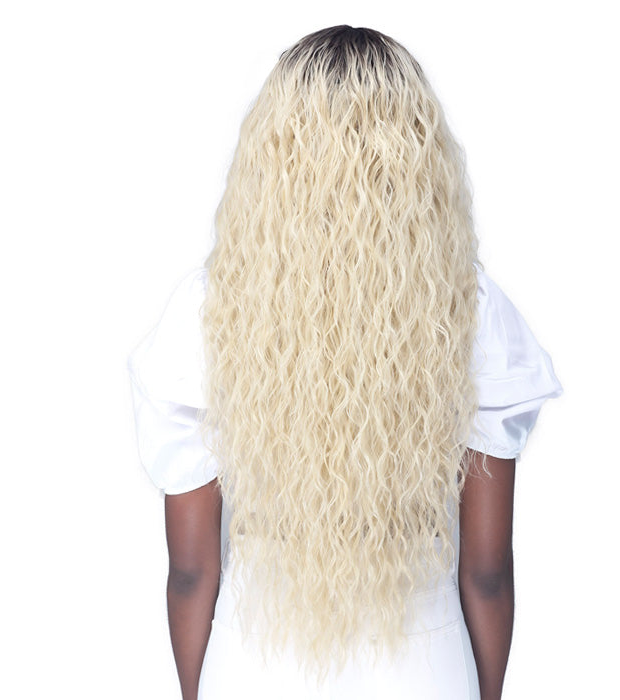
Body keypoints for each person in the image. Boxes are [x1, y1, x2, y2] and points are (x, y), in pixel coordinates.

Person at [127, 25, 563, 700]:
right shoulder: (470, 308)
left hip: (254, 668)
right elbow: (486, 573)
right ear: (417, 152)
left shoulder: (206, 310)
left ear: (273, 153)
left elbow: (190, 572)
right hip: (423, 671)